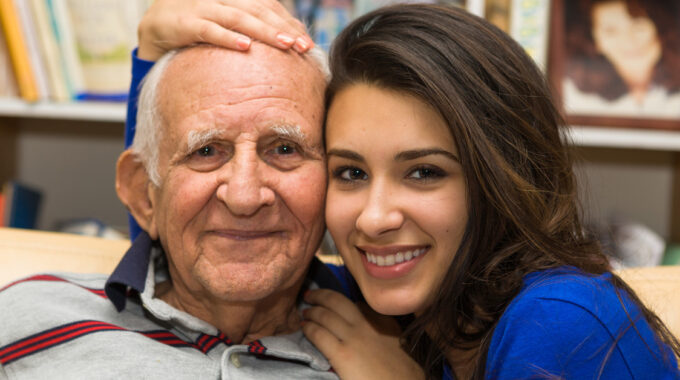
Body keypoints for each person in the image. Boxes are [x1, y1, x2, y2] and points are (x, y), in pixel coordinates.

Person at [123, 2, 680, 379]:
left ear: (500, 179)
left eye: (424, 172)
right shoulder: (381, 300)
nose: (374, 218)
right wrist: (151, 49)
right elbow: (192, 224)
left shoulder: (561, 319)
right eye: (351, 173)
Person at [0, 5, 348, 379]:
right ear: (142, 194)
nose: (244, 197)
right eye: (207, 151)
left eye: (284, 149)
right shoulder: (22, 320)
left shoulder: (385, 348)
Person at [564, 0, 680, 118]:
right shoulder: (574, 95)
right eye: (611, 31)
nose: (628, 41)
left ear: (660, 30)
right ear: (596, 41)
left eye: (638, 26)